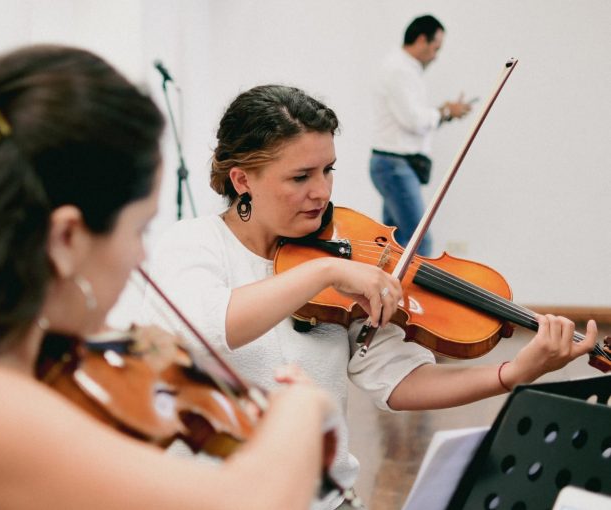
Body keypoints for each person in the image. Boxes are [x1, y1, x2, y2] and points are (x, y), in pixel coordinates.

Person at [0, 46, 339, 510]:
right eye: (138, 228)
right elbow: (248, 500)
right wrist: (299, 409)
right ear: (64, 240)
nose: (142, 254)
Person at [143, 84, 598, 510]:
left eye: (328, 170)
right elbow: (206, 327)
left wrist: (511, 372)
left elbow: (399, 381)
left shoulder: (342, 255)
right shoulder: (193, 245)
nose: (321, 192)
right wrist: (326, 270)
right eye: (300, 176)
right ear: (242, 180)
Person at [370, 14, 475, 256]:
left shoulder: (404, 69)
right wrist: (446, 111)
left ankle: (390, 294)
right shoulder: (398, 70)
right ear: (420, 40)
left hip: (394, 165)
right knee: (419, 243)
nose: (436, 56)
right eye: (435, 48)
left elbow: (415, 118)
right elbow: (414, 121)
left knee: (395, 245)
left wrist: (445, 113)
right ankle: (415, 295)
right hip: (394, 165)